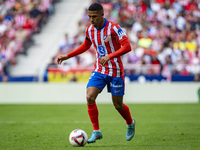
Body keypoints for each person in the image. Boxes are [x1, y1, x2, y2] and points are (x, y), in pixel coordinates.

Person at [57, 2, 135, 143]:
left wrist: (110, 56)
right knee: (89, 97)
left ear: (102, 14)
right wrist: (68, 55)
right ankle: (96, 131)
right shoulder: (89, 30)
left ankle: (130, 123)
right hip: (99, 69)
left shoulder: (114, 28)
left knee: (118, 105)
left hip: (116, 71)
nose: (91, 19)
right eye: (89, 17)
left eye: (94, 16)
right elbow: (86, 45)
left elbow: (127, 46)